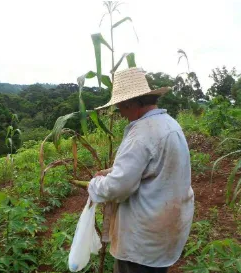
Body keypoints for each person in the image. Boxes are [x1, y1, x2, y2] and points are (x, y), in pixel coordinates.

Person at [88, 67, 194, 273]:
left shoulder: (141, 133)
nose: (120, 112)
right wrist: (113, 170)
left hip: (142, 238)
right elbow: (154, 166)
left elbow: (118, 188)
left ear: (130, 103)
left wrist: (95, 185)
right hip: (167, 230)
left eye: (120, 106)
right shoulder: (170, 124)